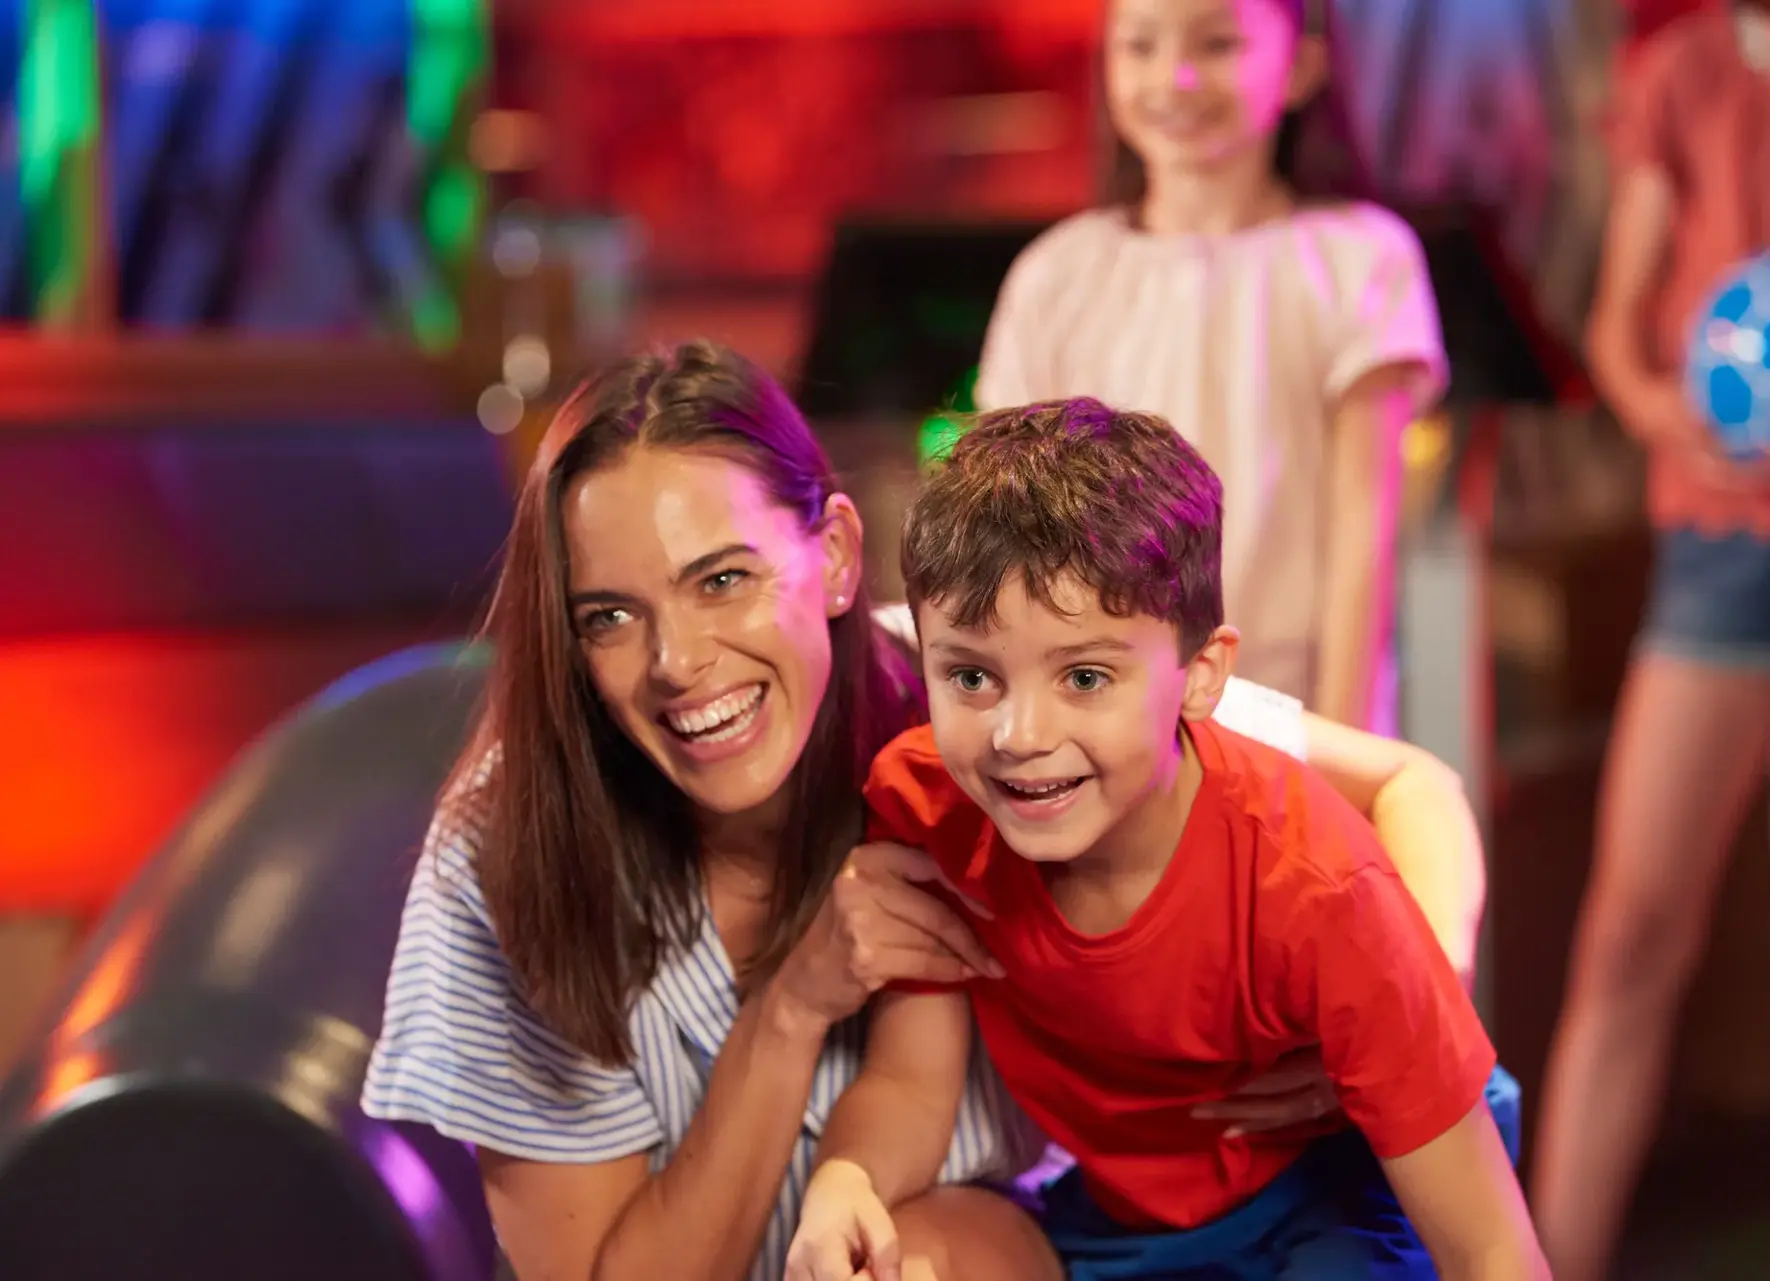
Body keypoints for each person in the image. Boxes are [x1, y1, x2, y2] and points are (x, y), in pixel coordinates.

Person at [359, 343, 1492, 1281]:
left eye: (724, 579)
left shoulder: (991, 690)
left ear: (838, 557)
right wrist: (794, 1006)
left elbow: (1410, 787)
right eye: (609, 615)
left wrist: (1401, 1003)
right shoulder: (507, 845)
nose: (679, 664)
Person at [785, 399, 1540, 1281]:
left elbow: (1492, 1248)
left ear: (1202, 677)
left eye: (1085, 675)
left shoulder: (1317, 887)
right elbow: (913, 1082)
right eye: (973, 676)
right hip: (1130, 1216)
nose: (1018, 733)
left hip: (1339, 1186)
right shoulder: (933, 806)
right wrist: (843, 1180)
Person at [1529, 6, 1770, 1281]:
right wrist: (1667, 420)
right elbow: (1620, 325)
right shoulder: (1688, 71)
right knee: (1635, 927)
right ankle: (1546, 1260)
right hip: (1720, 547)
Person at [973, 0, 1446, 730]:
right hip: (1100, 727)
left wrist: (1342, 752)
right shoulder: (1055, 275)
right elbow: (1010, 527)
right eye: (1140, 46)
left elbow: (1364, 537)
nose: (1177, 78)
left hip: (1291, 714)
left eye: (1218, 43)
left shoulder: (1360, 260)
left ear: (1302, 65)